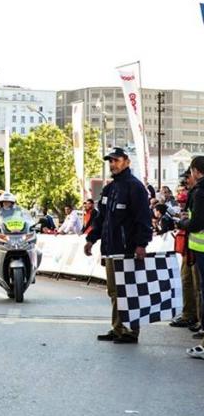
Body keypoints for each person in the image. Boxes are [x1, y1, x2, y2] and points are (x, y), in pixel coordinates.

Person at [85, 147, 152, 345]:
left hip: (128, 250)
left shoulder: (136, 187)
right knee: (114, 291)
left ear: (127, 161)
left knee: (128, 291)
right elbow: (101, 219)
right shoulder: (109, 188)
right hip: (111, 249)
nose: (112, 164)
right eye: (110, 161)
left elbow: (144, 218)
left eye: (116, 160)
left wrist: (141, 244)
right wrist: (91, 239)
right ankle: (118, 327)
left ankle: (131, 331)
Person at [177, 156, 204, 358]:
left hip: (201, 249)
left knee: (201, 291)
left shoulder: (200, 192)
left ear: (195, 171)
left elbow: (197, 224)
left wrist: (183, 223)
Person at [171, 169, 202, 332]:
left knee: (198, 286)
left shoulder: (198, 194)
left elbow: (194, 222)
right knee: (187, 281)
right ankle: (189, 314)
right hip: (189, 246)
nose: (185, 183)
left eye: (187, 178)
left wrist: (183, 222)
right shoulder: (193, 193)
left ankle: (198, 318)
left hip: (197, 247)